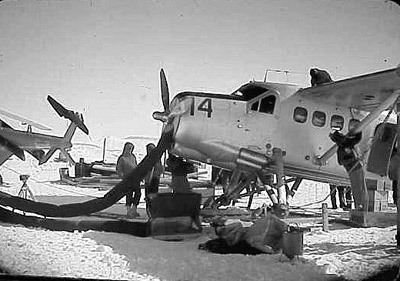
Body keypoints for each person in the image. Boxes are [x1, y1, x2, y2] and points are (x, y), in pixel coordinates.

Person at [329, 119, 368, 211]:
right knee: (358, 189)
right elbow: (341, 161)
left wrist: (359, 128)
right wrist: (354, 159)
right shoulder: (343, 148)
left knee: (361, 188)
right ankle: (360, 206)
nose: (344, 137)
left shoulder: (346, 144)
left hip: (356, 168)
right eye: (342, 136)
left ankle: (362, 206)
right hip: (353, 169)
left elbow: (357, 139)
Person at [116, 142, 140, 218]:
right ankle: (129, 211)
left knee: (138, 193)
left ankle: (134, 209)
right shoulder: (122, 158)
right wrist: (123, 177)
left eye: (131, 148)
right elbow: (119, 169)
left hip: (135, 178)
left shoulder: (133, 157)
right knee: (129, 195)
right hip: (127, 179)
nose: (129, 150)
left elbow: (135, 165)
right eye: (128, 148)